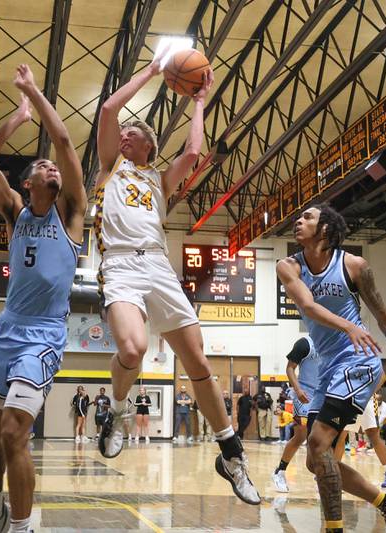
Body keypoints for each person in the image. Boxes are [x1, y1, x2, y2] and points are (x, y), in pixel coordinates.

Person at [92, 49, 258, 505]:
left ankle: (230, 454)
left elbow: (194, 152)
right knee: (133, 348)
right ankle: (119, 412)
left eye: (131, 135)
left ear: (147, 146)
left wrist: (200, 99)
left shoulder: (160, 181)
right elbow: (108, 109)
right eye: (122, 135)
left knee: (200, 365)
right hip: (121, 264)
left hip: (158, 267)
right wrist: (150, 70)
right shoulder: (111, 168)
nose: (123, 137)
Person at [0, 63, 87, 533]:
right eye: (41, 167)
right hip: (6, 329)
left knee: (14, 432)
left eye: (53, 167)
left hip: (43, 335)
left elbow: (63, 142)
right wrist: (17, 118)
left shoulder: (72, 212)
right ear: (27, 184)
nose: (51, 166)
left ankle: (21, 528)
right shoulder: (15, 214)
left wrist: (34, 93)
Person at [277, 204, 386, 533]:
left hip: (358, 361)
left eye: (307, 218)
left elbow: (385, 318)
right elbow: (308, 306)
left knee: (318, 444)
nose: (298, 222)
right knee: (316, 460)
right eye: (298, 218)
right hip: (331, 368)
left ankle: (334, 528)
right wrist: (348, 326)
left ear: (326, 228)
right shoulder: (288, 266)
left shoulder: (354, 265)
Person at [272, 337, 319, 493]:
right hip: (304, 394)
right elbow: (290, 368)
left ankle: (322, 475)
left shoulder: (332, 341)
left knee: (325, 436)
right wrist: (298, 390)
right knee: (301, 436)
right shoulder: (305, 343)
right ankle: (280, 471)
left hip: (324, 394)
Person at [340, 391, 386, 488]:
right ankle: (332, 474)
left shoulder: (384, 406)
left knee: (373, 434)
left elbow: (381, 377)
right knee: (342, 433)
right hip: (348, 395)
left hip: (367, 397)